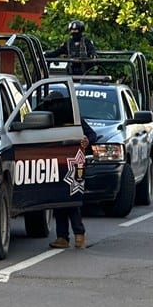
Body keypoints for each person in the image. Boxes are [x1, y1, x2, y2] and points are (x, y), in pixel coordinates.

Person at [41, 91, 98, 249]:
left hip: (75, 165)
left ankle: (79, 235)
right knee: (60, 201)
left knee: (72, 201)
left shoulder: (74, 118)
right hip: (58, 165)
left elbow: (92, 135)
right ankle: (62, 237)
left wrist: (86, 141)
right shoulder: (50, 121)